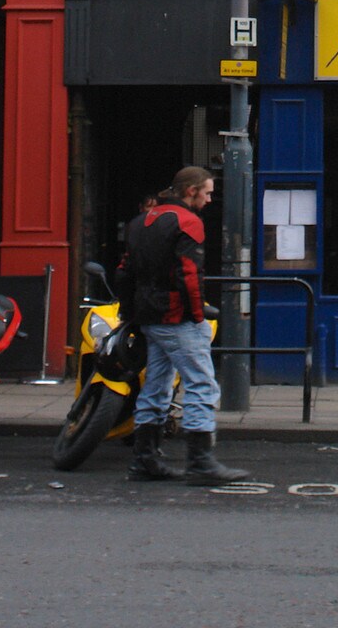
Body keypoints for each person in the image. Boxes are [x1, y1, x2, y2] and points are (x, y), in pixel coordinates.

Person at [114, 167, 248, 485]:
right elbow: (189, 273)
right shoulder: (189, 222)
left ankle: (144, 461)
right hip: (178, 318)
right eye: (208, 192)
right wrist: (198, 316)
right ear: (190, 191)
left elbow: (123, 272)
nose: (210, 198)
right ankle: (201, 464)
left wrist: (130, 313)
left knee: (156, 388)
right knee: (202, 385)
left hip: (149, 317)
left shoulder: (139, 223)